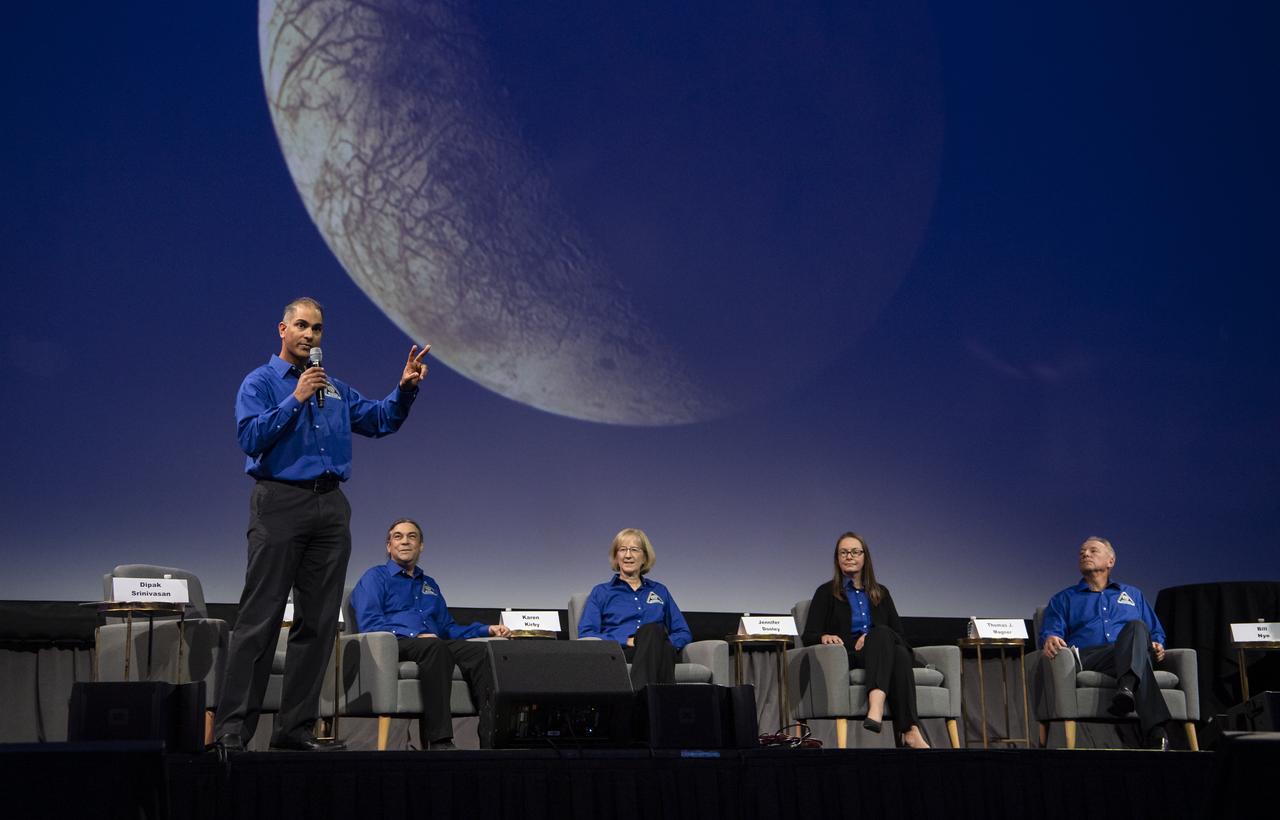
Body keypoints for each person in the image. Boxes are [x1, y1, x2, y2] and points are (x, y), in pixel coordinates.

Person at [214, 297, 430, 753]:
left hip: (330, 508)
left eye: (317, 329)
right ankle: (233, 730)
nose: (310, 335)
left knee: (316, 626)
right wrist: (296, 398)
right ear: (283, 329)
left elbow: (378, 420)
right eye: (301, 326)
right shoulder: (261, 382)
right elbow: (250, 437)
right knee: (260, 619)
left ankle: (293, 731)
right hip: (279, 503)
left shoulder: (334, 389)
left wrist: (405, 388)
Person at [350, 518, 510, 749]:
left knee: (483, 652)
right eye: (398, 537)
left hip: (433, 643)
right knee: (434, 647)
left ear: (421, 546)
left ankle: (492, 738)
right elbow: (370, 623)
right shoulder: (374, 577)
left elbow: (448, 628)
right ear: (389, 546)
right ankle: (440, 739)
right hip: (394, 644)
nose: (405, 542)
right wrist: (415, 635)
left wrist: (487, 629)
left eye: (412, 537)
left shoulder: (430, 584)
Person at [1039, 536, 1171, 750]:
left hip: (1130, 652)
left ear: (1110, 561)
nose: (1085, 554)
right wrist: (1051, 637)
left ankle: (1128, 690)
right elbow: (1050, 632)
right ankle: (1154, 726)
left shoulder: (1132, 594)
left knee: (1137, 627)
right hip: (1091, 657)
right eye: (1082, 552)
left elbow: (1155, 631)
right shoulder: (1063, 599)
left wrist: (1157, 644)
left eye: (1092, 551)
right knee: (1137, 653)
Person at [800, 532, 929, 748]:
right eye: (843, 552)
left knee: (889, 642)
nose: (849, 556)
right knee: (890, 646)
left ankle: (887, 715)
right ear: (837, 558)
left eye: (855, 552)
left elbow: (900, 636)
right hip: (852, 655)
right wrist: (824, 636)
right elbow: (809, 635)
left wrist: (872, 637)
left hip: (885, 650)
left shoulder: (881, 593)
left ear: (865, 557)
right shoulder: (826, 592)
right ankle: (907, 728)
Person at [577, 528, 692, 688]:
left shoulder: (659, 590)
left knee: (653, 633)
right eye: (622, 550)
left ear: (644, 557)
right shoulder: (601, 592)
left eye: (634, 550)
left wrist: (660, 642)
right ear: (616, 557)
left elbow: (683, 632)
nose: (628, 555)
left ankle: (639, 703)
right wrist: (625, 641)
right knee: (652, 631)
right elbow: (587, 633)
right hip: (623, 652)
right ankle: (660, 707)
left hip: (660, 650)